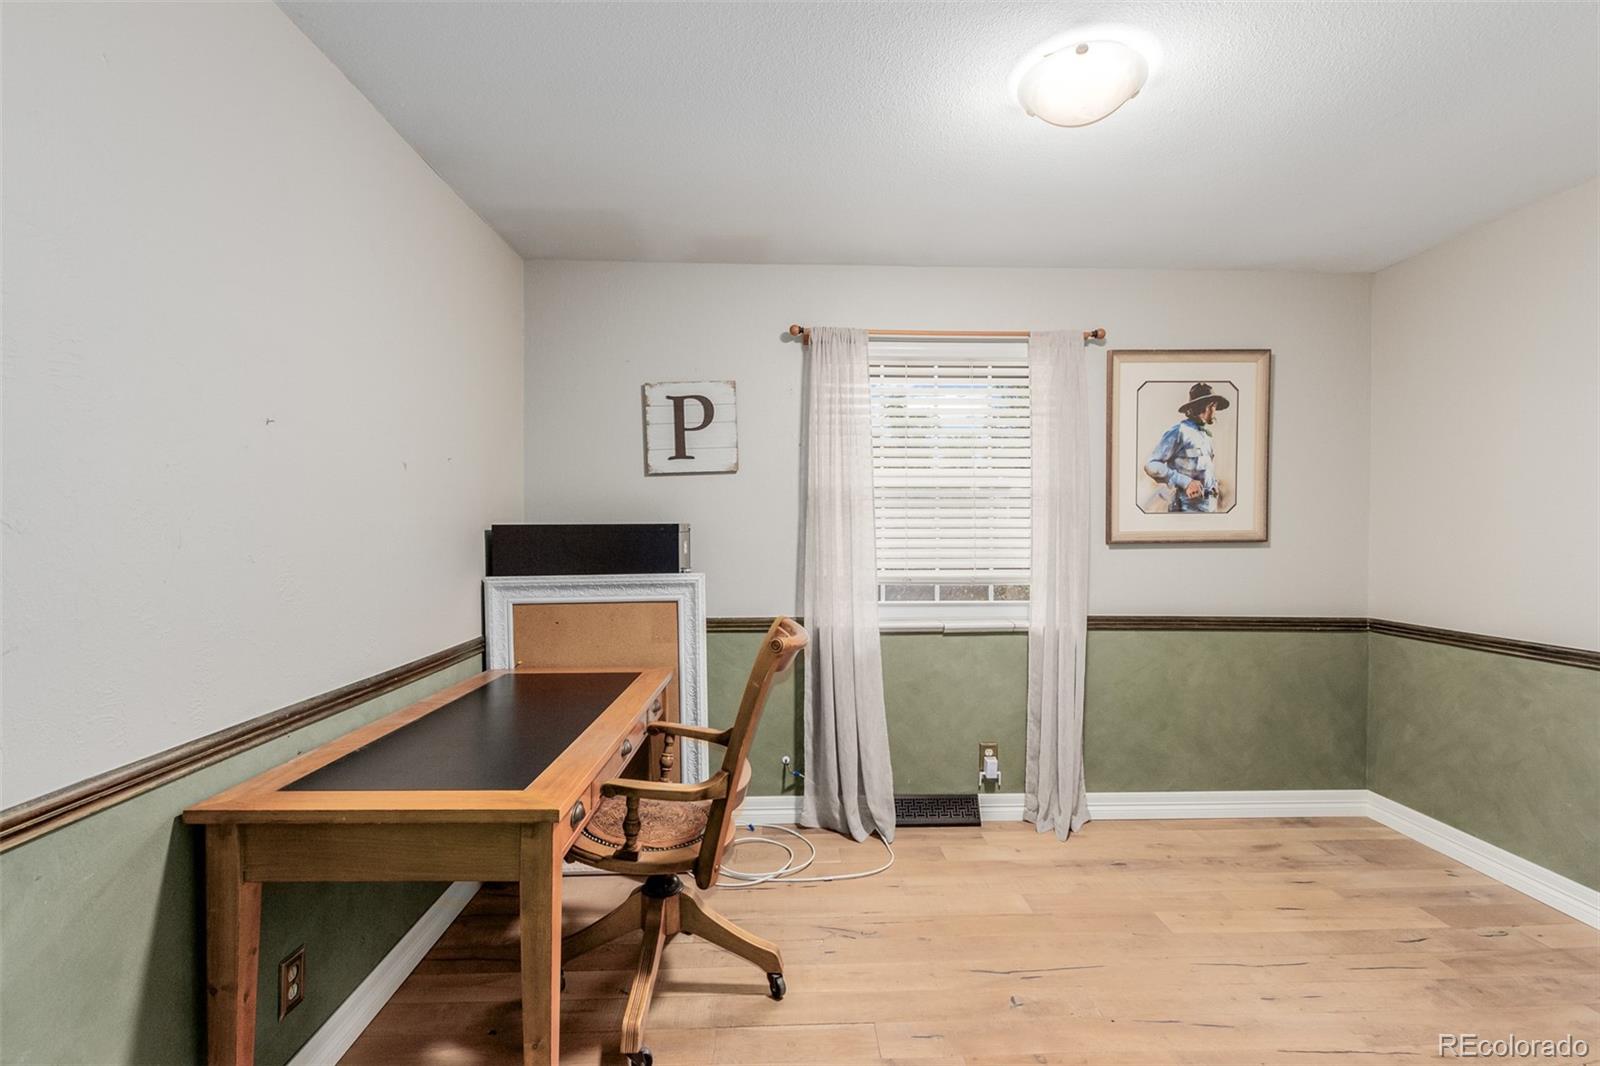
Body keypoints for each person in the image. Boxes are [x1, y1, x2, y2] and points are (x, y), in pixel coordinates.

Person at [1144, 383, 1230, 513]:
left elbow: (1203, 469)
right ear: (1204, 407)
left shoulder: (1206, 436)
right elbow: (1151, 465)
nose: (1215, 411)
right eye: (1213, 406)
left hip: (1210, 509)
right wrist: (1186, 482)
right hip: (1186, 510)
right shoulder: (1179, 431)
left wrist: (1214, 485)